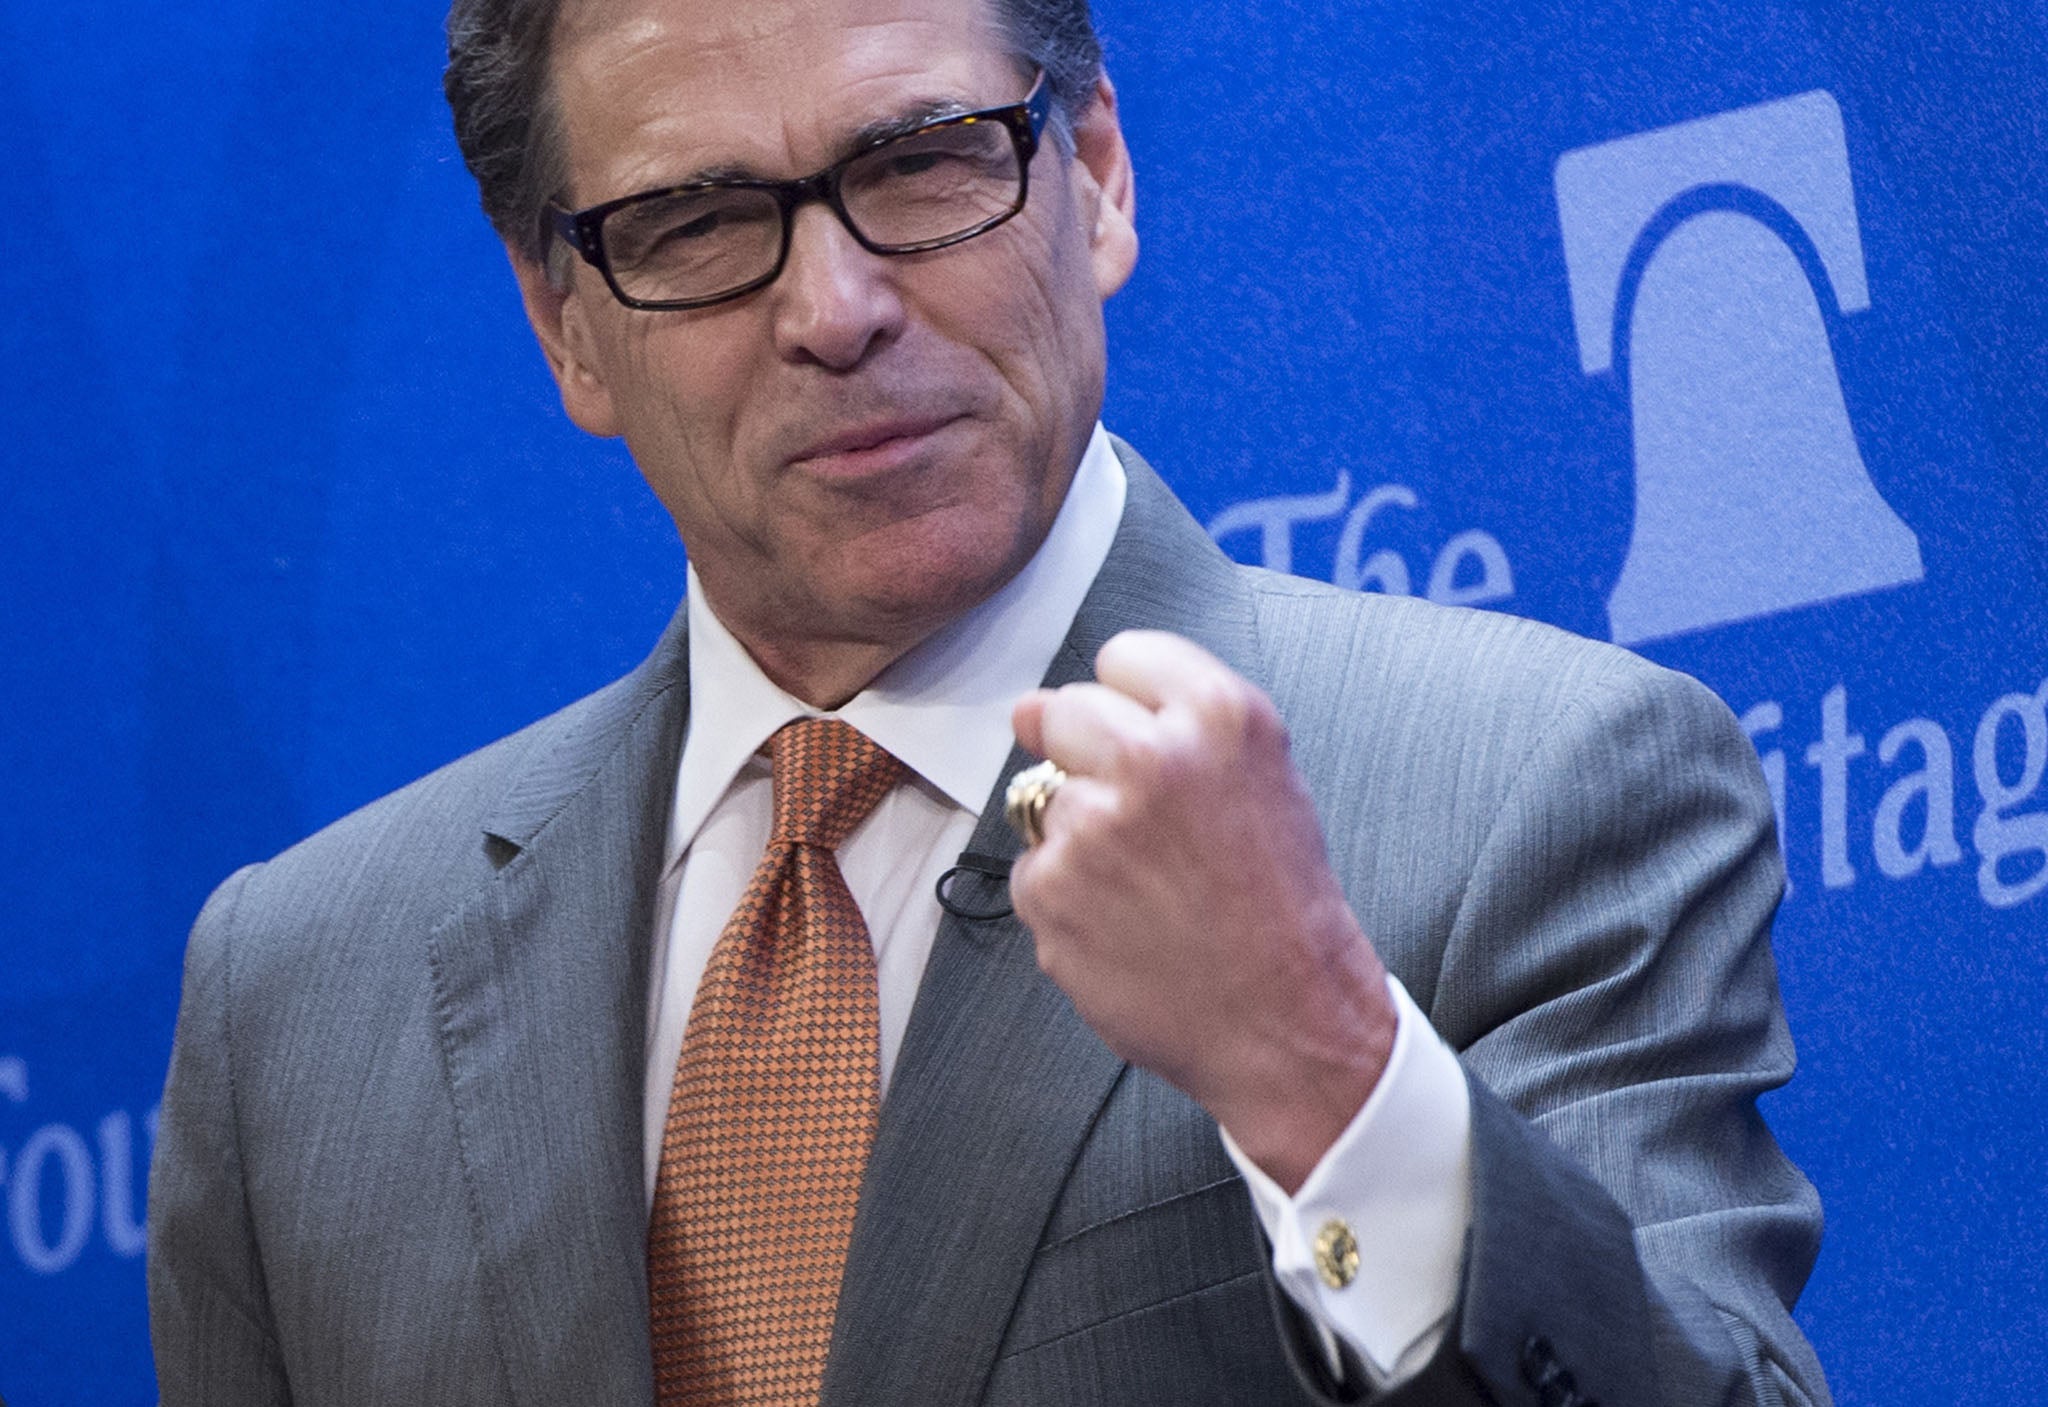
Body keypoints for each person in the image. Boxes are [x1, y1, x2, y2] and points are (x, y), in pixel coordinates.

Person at [146, 0, 1832, 1402]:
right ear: (565, 325)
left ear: (1092, 174)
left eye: (921, 163)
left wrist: (1321, 1064)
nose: (838, 308)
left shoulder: (1536, 788)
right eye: (704, 224)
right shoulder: (294, 1002)